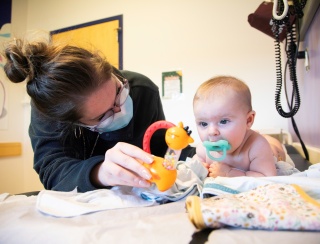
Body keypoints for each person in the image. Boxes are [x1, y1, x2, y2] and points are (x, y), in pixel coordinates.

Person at [3, 38, 194, 192]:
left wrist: (195, 157)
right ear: (74, 123)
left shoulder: (143, 89)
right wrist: (99, 172)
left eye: (119, 91)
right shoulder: (49, 111)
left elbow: (160, 148)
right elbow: (52, 169)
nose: (120, 108)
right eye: (104, 116)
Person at [192, 75, 283, 177]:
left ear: (248, 120)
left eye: (223, 121)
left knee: (273, 145)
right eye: (203, 124)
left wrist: (230, 173)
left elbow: (267, 176)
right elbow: (193, 165)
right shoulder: (202, 150)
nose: (211, 132)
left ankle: (269, 139)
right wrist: (200, 167)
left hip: (275, 152)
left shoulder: (257, 147)